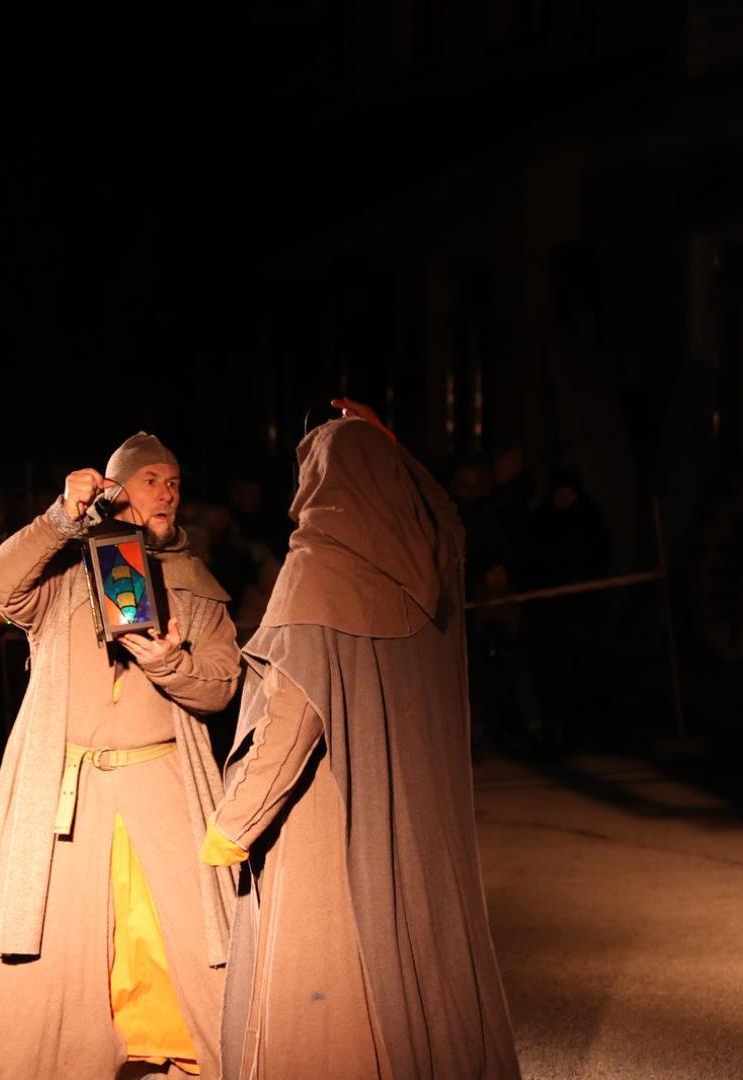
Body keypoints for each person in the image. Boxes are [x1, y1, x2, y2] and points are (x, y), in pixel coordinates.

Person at [202, 402, 521, 1079]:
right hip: (414, 818)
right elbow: (448, 518)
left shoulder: (315, 571)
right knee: (406, 953)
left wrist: (232, 826)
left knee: (330, 979)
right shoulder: (429, 563)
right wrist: (392, 448)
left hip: (330, 815)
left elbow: (292, 718)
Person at [0, 432, 241, 1080]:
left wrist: (169, 664)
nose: (167, 492)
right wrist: (60, 517)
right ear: (115, 490)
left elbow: (222, 686)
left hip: (161, 783)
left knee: (186, 935)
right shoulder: (60, 575)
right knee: (54, 938)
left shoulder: (195, 586)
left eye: (174, 482)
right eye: (150, 480)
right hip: (68, 791)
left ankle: (181, 1045)